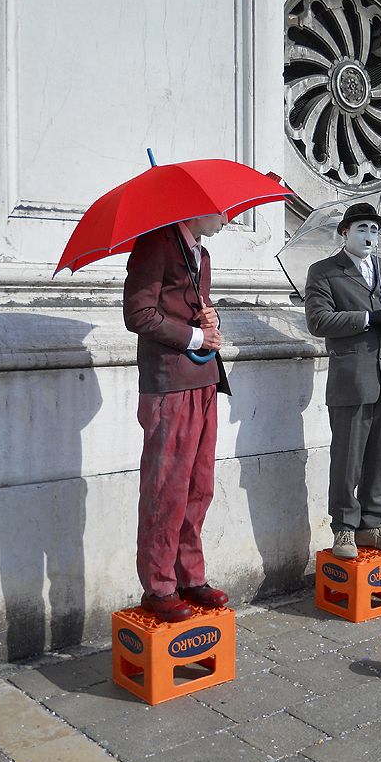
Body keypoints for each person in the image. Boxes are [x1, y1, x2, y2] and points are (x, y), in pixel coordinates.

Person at [123, 214, 231, 621]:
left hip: (204, 379)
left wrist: (210, 321)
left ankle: (189, 576)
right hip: (169, 384)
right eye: (221, 211)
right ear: (196, 207)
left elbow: (187, 310)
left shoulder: (200, 254)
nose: (227, 218)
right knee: (166, 489)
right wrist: (195, 336)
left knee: (198, 487)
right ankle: (159, 585)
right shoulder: (155, 244)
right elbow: (139, 314)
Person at [304, 202, 381, 560]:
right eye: (361, 229)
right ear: (345, 233)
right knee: (347, 457)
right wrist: (367, 318)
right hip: (351, 378)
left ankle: (371, 524)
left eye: (374, 230)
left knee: (378, 456)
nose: (369, 236)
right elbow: (319, 321)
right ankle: (344, 527)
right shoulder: (324, 272)